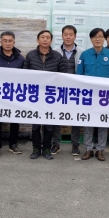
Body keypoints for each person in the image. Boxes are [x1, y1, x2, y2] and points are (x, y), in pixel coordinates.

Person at [76, 28, 109, 161]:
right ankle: (88, 149)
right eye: (95, 37)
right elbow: (79, 75)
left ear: (104, 39)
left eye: (100, 36)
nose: (97, 39)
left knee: (102, 123)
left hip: (104, 95)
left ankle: (100, 150)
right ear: (91, 39)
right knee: (88, 122)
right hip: (88, 95)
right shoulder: (85, 54)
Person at [24, 30, 67, 160]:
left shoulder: (58, 56)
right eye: (42, 37)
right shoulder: (30, 55)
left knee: (49, 125)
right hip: (35, 95)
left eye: (48, 37)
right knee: (36, 125)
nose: (45, 39)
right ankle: (36, 149)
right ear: (37, 40)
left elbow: (63, 76)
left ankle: (47, 149)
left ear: (51, 41)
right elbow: (24, 74)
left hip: (51, 96)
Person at [0, 31, 26, 157]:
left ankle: (13, 144)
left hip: (14, 94)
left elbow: (25, 77)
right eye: (5, 41)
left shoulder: (20, 59)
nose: (8, 43)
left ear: (14, 42)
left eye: (10, 41)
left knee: (14, 120)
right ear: (0, 42)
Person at [52, 25, 83, 156]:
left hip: (76, 91)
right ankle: (56, 144)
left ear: (75, 36)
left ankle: (75, 145)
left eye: (71, 34)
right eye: (66, 34)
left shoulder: (82, 52)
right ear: (62, 36)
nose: (68, 37)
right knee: (56, 117)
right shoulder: (55, 51)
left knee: (76, 118)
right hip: (58, 90)